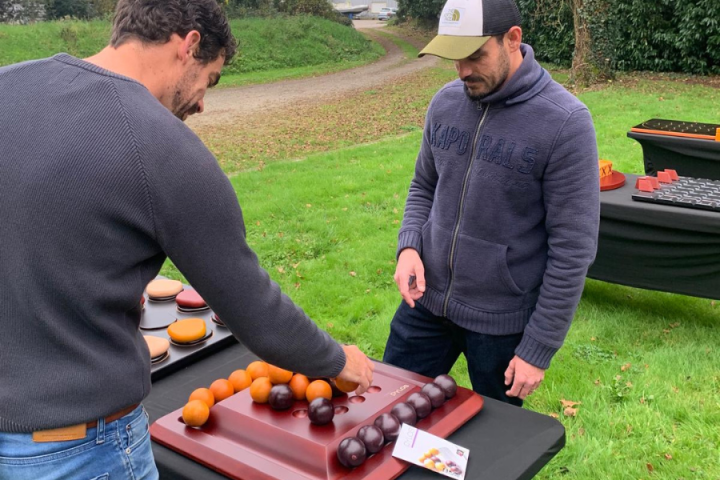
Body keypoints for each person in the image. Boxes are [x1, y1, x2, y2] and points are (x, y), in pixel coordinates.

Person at [0, 1, 373, 478]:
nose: (201, 102)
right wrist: (337, 360)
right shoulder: (160, 145)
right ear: (189, 44)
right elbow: (253, 308)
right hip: (79, 451)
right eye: (209, 80)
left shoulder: (8, 83)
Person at [384, 0, 600, 407]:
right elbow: (423, 186)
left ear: (512, 39)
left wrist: (538, 347)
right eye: (454, 59)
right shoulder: (445, 103)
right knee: (388, 412)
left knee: (494, 449)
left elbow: (573, 249)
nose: (463, 70)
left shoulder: (565, 122)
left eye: (474, 56)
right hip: (426, 304)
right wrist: (409, 245)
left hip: (501, 325)